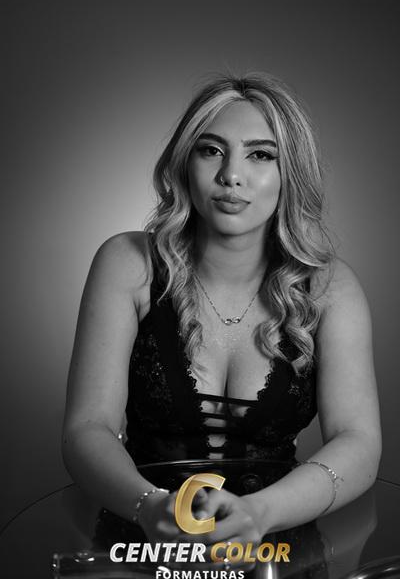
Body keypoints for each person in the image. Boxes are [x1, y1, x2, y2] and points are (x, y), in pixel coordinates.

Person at [62, 72, 381, 568]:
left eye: (261, 155)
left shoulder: (330, 288)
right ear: (185, 163)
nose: (232, 175)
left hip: (277, 551)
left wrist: (260, 513)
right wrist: (150, 507)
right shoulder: (128, 264)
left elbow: (358, 443)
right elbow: (88, 427)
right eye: (211, 150)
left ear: (290, 172)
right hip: (141, 545)